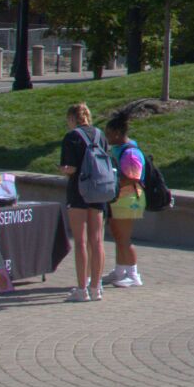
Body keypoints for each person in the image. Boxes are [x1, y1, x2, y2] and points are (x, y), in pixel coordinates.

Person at [58, 102, 109, 302]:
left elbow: (70, 167)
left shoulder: (72, 137)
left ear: (72, 118)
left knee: (80, 241)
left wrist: (62, 170)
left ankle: (82, 288)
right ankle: (96, 287)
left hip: (79, 191)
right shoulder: (100, 135)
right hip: (99, 189)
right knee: (97, 241)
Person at [102, 112, 146, 289]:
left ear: (118, 133)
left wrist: (112, 180)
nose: (107, 137)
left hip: (129, 198)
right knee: (118, 235)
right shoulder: (118, 149)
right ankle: (120, 270)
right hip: (118, 198)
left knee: (125, 238)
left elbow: (133, 177)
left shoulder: (131, 153)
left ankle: (134, 274)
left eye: (109, 133)